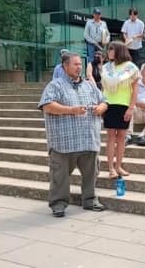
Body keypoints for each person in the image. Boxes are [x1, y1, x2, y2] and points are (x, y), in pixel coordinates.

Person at [38, 52, 107, 218]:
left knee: (91, 174)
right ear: (65, 66)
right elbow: (47, 106)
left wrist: (101, 108)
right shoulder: (55, 85)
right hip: (64, 142)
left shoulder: (90, 85)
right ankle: (58, 204)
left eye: (80, 64)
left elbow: (104, 100)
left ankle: (90, 199)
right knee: (60, 176)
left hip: (88, 139)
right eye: (75, 64)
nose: (79, 67)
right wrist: (71, 110)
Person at [101, 41, 140, 178]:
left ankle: (119, 166)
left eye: (111, 49)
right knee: (111, 136)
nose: (109, 52)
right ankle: (111, 168)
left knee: (122, 137)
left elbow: (135, 90)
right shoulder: (106, 67)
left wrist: (131, 108)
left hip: (124, 105)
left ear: (119, 51)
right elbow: (104, 88)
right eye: (109, 49)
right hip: (108, 104)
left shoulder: (131, 67)